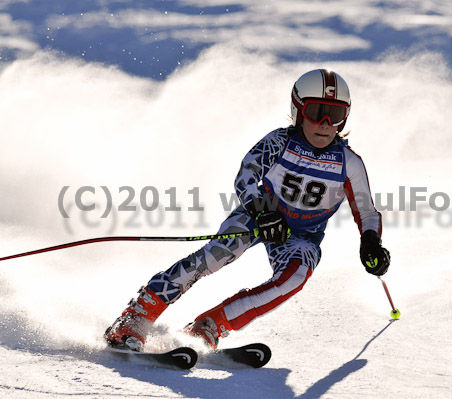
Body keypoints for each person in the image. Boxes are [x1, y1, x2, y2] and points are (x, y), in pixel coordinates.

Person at [104, 69, 391, 351]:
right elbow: (246, 175)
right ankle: (137, 317)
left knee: (295, 277)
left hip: (300, 237)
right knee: (214, 257)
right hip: (257, 218)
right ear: (299, 110)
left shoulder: (348, 162)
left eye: (336, 115)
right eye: (317, 112)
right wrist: (263, 212)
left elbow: (366, 210)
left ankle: (210, 326)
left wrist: (371, 242)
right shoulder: (280, 142)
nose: (326, 124)